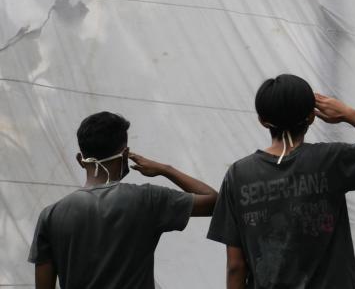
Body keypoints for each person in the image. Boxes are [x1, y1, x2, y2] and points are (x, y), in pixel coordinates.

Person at [207, 73, 355, 288]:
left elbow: (235, 265)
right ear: (312, 117)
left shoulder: (238, 174)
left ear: (262, 120)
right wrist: (349, 114)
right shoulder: (331, 159)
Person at [28, 111, 218, 289]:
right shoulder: (148, 199)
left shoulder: (50, 215)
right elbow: (214, 201)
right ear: (126, 155)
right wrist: (165, 169)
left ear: (80, 159)